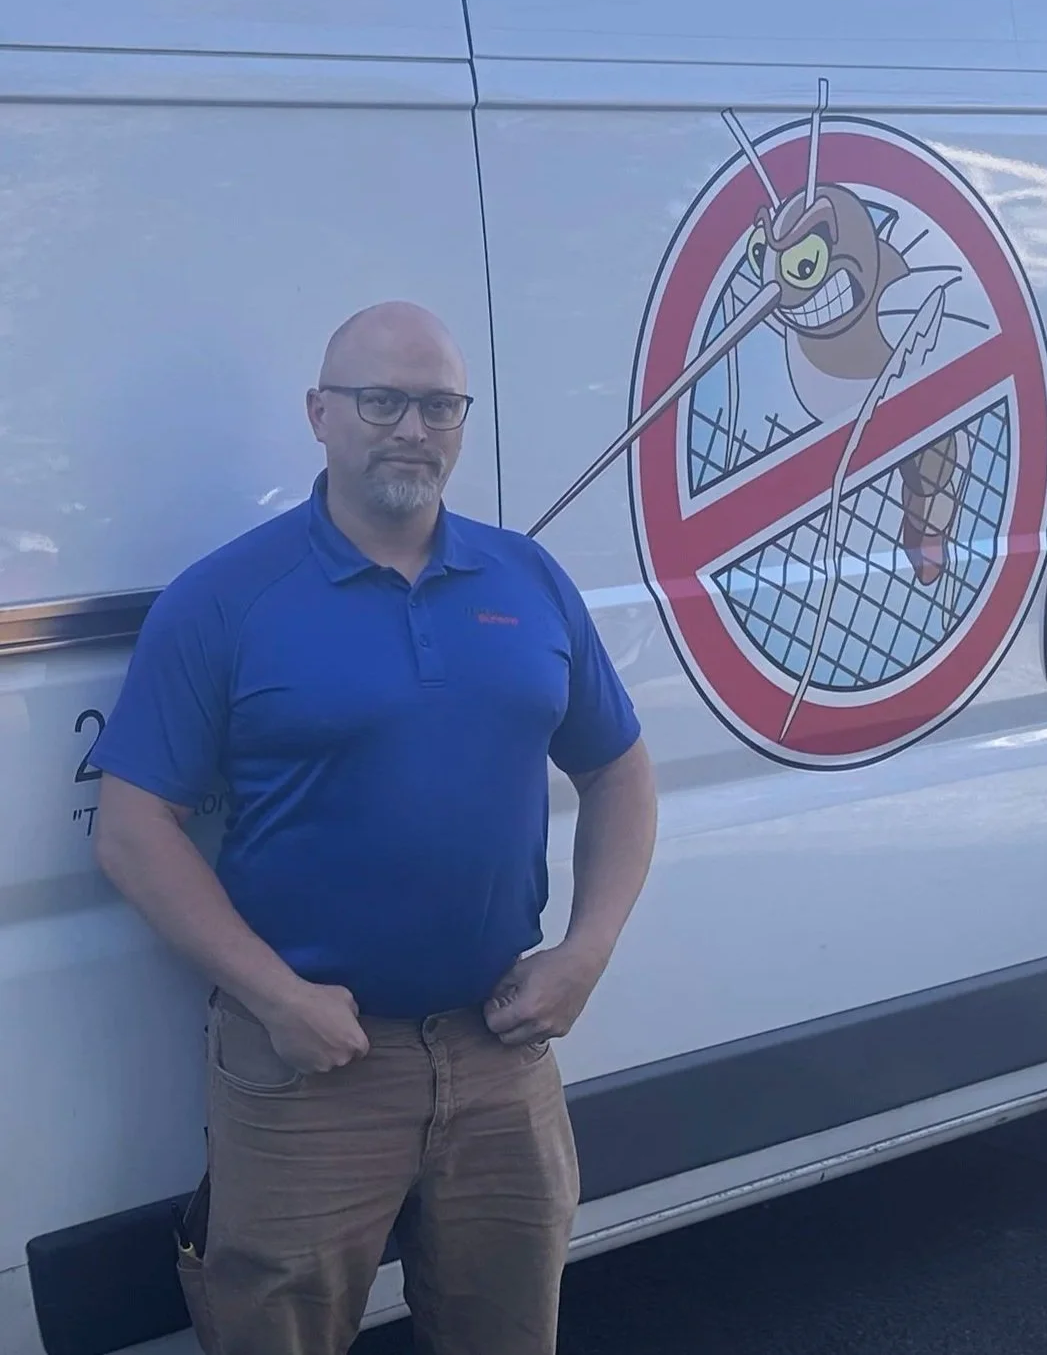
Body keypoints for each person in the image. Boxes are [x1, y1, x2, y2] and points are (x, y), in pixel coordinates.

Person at [91, 301, 657, 1355]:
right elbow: (133, 828)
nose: (411, 428)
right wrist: (276, 996)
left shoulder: (524, 580)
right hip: (309, 1067)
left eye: (438, 405)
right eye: (381, 400)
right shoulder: (225, 598)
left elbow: (619, 769)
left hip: (501, 1050)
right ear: (319, 413)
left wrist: (585, 951)